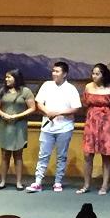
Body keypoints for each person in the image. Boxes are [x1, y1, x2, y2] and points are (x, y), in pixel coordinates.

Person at [26, 62, 81, 193]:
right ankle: (38, 181)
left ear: (65, 74)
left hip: (65, 127)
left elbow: (76, 108)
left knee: (61, 156)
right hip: (47, 127)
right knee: (43, 155)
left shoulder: (71, 89)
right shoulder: (46, 85)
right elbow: (38, 102)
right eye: (53, 71)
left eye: (57, 71)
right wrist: (47, 111)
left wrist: (58, 113)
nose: (54, 73)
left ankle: (58, 182)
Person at [76, 63, 110, 195]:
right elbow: (86, 102)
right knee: (87, 154)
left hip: (108, 122)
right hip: (92, 121)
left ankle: (104, 186)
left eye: (97, 74)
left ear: (104, 75)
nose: (94, 76)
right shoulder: (88, 87)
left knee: (105, 155)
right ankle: (86, 185)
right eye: (93, 73)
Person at [0, 69, 35, 190]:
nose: (6, 79)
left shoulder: (25, 91)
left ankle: (19, 182)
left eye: (9, 77)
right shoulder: (3, 91)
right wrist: (3, 114)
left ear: (16, 78)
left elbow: (32, 108)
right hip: (5, 125)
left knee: (18, 154)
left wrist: (17, 115)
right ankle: (2, 181)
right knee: (4, 154)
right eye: (6, 77)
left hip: (19, 125)